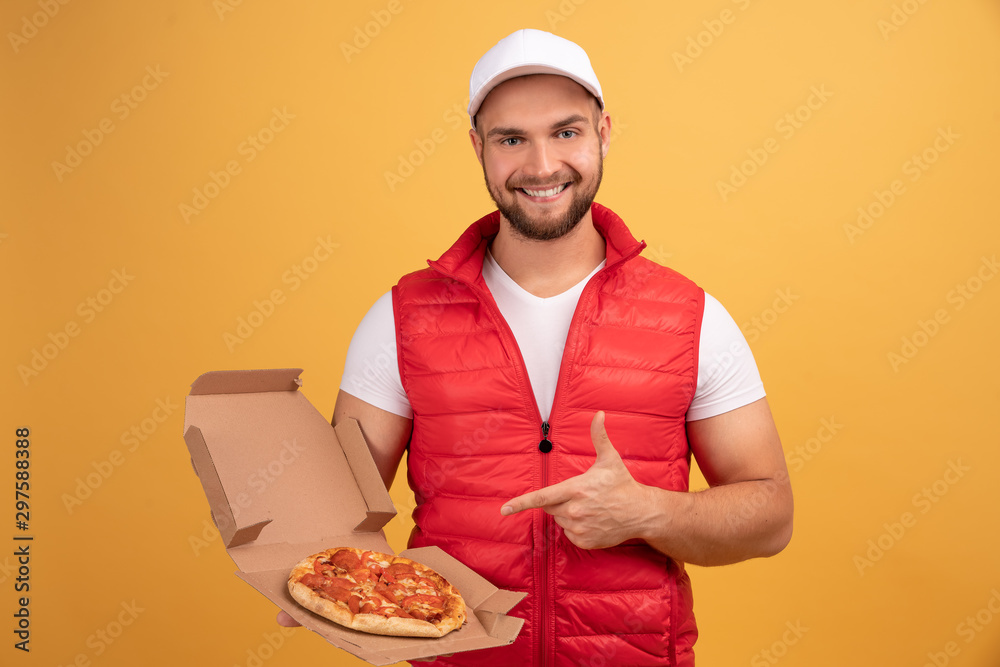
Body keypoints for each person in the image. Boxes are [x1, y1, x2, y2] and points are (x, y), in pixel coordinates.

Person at [279, 28, 793, 666]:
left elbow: (772, 516)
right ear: (478, 148)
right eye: (511, 138)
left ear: (604, 132)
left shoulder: (691, 318)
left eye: (566, 131)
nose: (542, 166)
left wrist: (646, 513)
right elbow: (337, 518)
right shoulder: (400, 318)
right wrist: (310, 566)